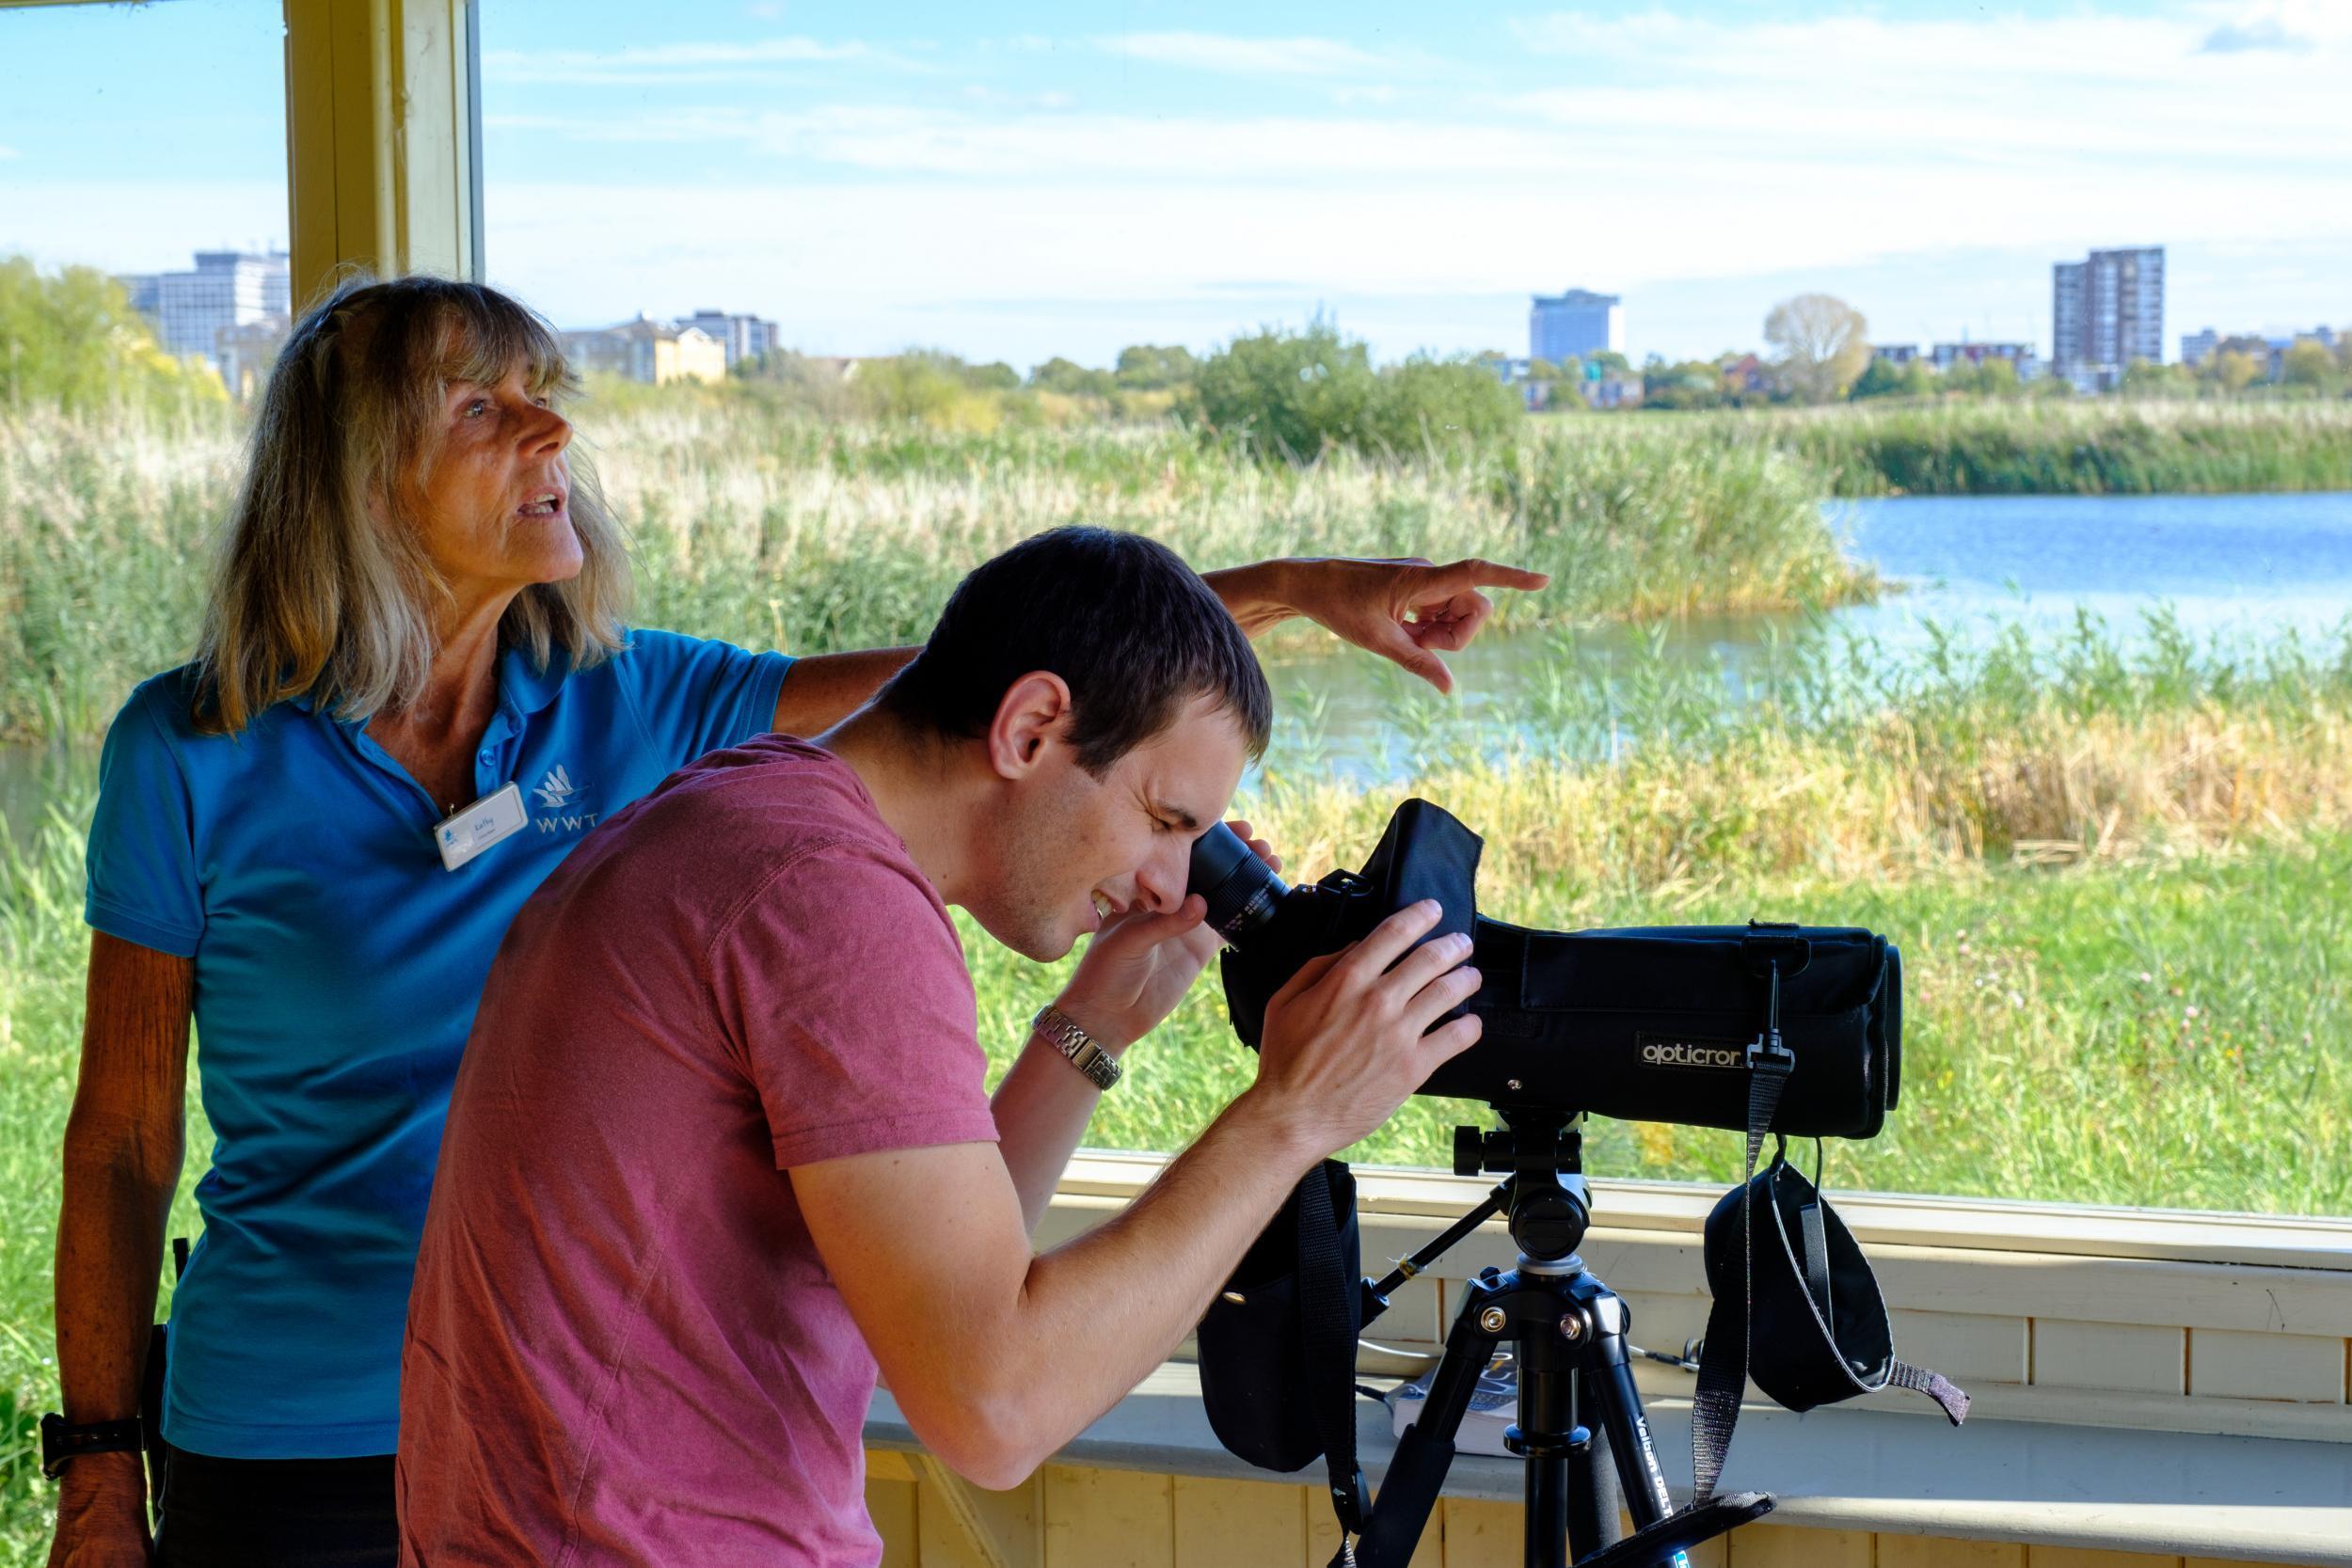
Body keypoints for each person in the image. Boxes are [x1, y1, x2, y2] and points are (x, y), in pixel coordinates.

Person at [50, 274, 1546, 1568]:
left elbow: (983, 673)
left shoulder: (640, 718)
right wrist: (102, 1462)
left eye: (548, 395)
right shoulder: (198, 751)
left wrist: (1285, 594)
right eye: (486, 409)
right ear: (357, 473)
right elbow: (121, 1138)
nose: (554, 430)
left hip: (557, 1426)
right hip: (331, 1414)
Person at [396, 528, 1483, 1563]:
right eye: (1164, 816)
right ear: (1029, 728)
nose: (1170, 879)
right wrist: (1291, 1117)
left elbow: (936, 1300)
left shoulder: (740, 817)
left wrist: (1091, 1027)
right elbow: (993, 1407)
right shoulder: (830, 901)